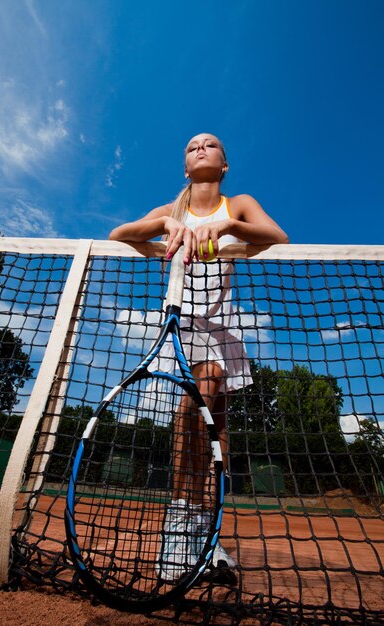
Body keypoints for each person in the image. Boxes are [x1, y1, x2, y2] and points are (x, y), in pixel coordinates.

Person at [109, 133, 289, 581]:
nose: (201, 148)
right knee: (191, 411)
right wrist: (167, 226)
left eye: (210, 145)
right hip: (181, 326)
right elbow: (119, 234)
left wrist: (227, 227)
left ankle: (207, 534)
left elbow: (277, 236)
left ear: (224, 164)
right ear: (186, 168)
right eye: (192, 147)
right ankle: (179, 523)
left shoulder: (238, 202)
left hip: (222, 327)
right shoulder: (171, 209)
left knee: (217, 426)